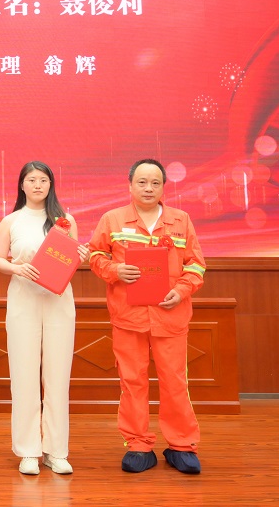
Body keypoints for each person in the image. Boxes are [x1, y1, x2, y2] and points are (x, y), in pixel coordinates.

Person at [88, 158, 206, 474]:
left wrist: (181, 290)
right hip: (129, 316)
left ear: (164, 187)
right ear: (130, 185)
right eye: (142, 182)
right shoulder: (112, 220)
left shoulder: (181, 220)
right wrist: (115, 270)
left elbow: (196, 265)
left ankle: (181, 445)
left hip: (171, 316)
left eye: (155, 182)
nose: (148, 188)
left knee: (175, 381)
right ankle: (138, 444)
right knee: (132, 381)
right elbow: (95, 255)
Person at [0, 161, 89, 476]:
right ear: (22, 185)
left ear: (51, 185)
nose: (37, 185)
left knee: (58, 376)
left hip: (59, 300)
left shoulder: (65, 221)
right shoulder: (11, 220)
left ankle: (56, 451)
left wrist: (81, 256)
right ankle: (28, 451)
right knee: (24, 375)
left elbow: (70, 259)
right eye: (31, 180)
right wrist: (16, 268)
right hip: (23, 298)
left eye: (43, 180)